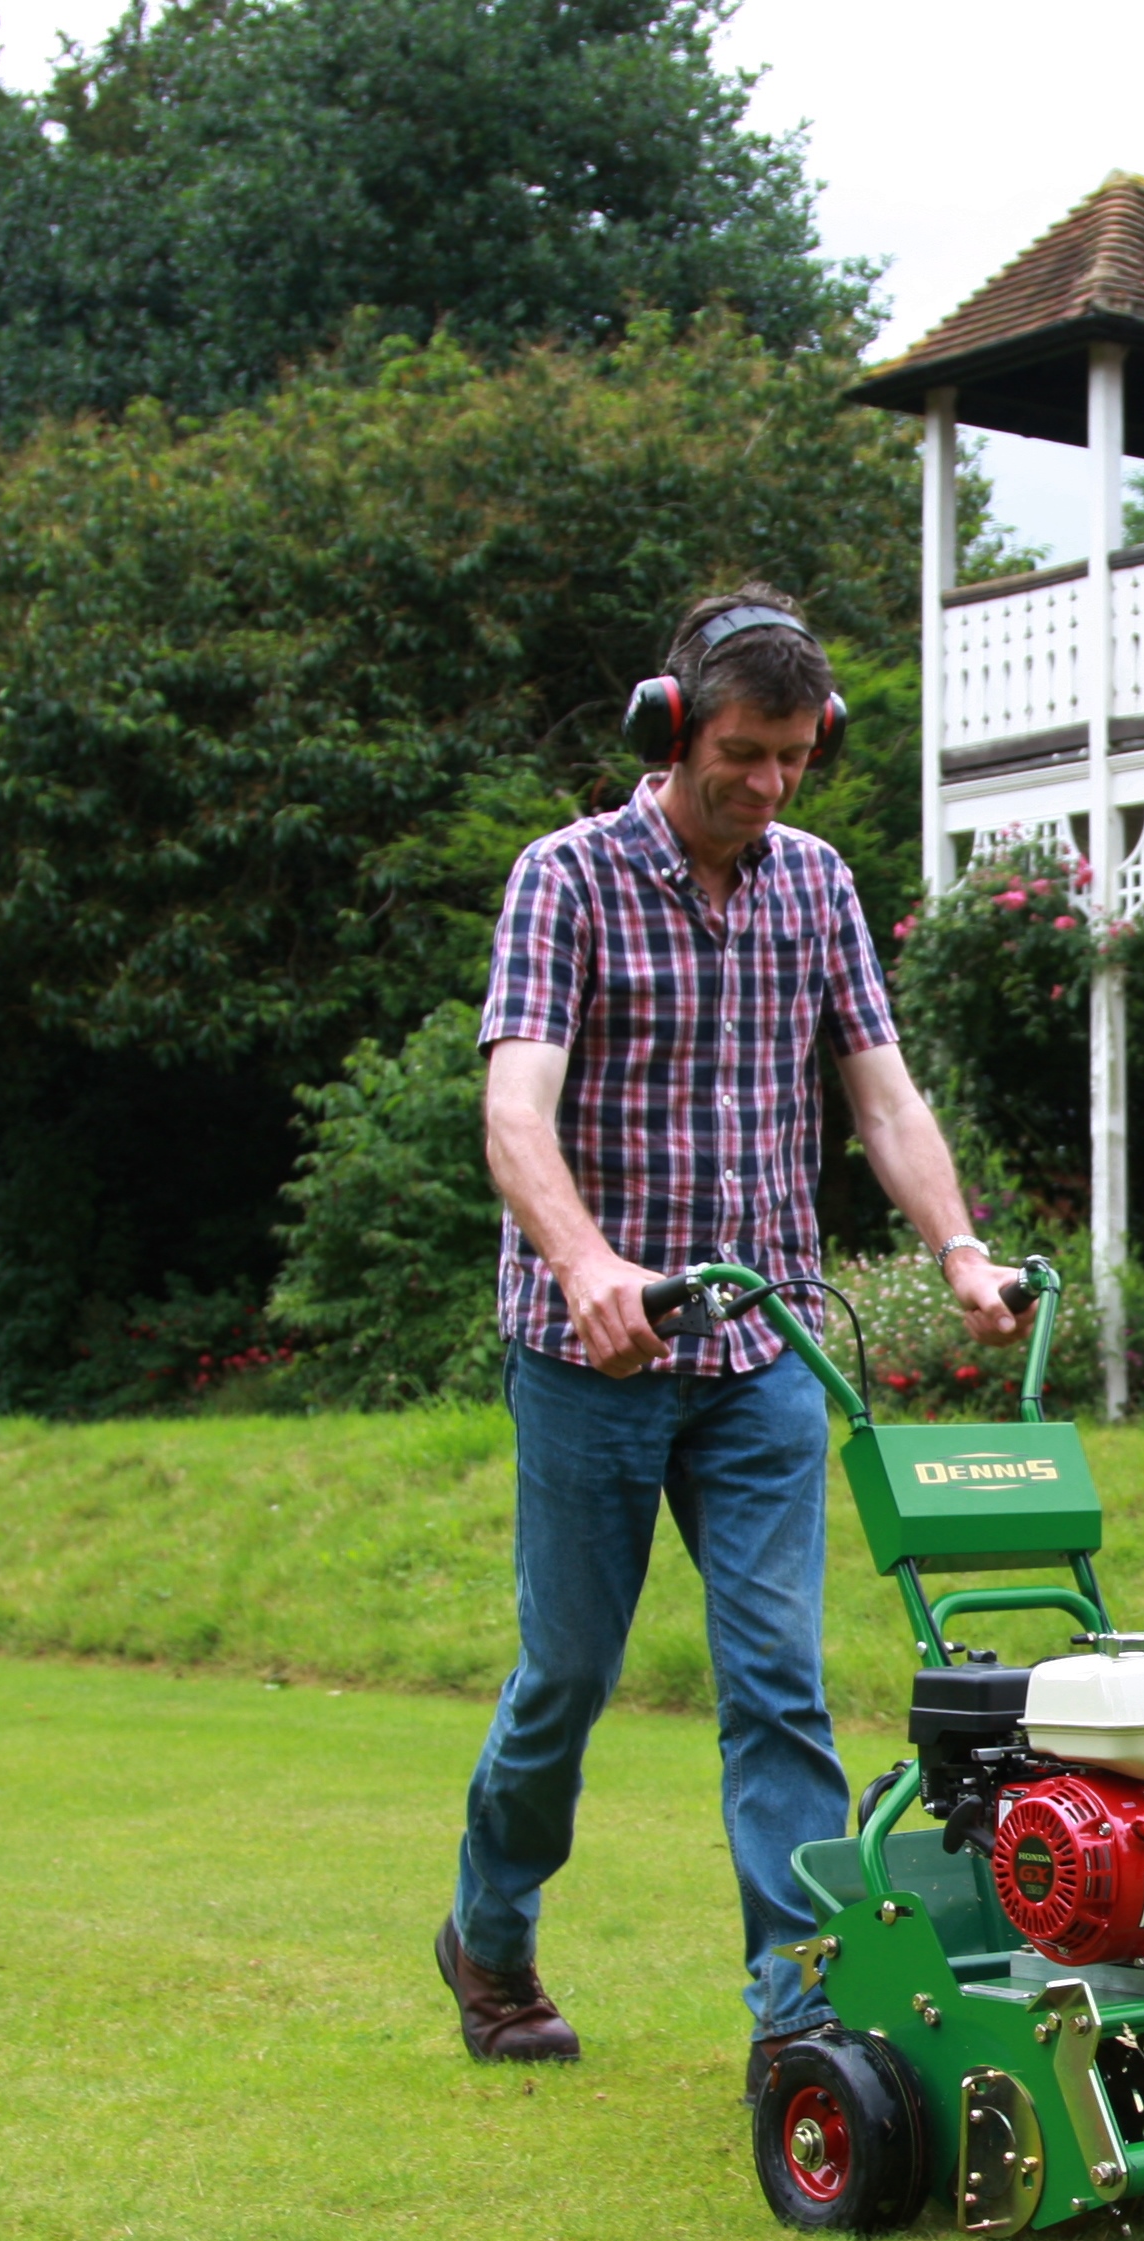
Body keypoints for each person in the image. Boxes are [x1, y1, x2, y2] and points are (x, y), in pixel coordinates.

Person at [438, 585, 1021, 2100]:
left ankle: (797, 2004)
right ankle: (488, 1938)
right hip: (595, 1363)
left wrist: (958, 1247)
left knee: (780, 1688)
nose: (765, 786)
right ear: (673, 727)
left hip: (762, 1354)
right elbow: (517, 1113)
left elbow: (882, 1098)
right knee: (564, 1681)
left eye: (793, 759)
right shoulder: (565, 881)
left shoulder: (817, 887)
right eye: (741, 755)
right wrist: (585, 1267)